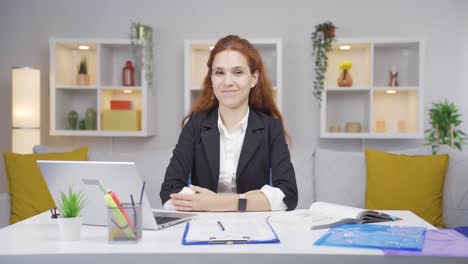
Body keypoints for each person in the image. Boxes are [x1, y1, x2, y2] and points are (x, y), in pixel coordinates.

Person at [160, 35, 297, 212]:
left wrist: (217, 203)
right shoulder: (195, 124)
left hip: (254, 227)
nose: (228, 82)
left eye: (238, 72)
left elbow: (288, 195)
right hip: (203, 226)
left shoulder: (271, 127)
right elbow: (170, 191)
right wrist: (252, 200)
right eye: (219, 72)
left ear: (254, 78)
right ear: (211, 78)